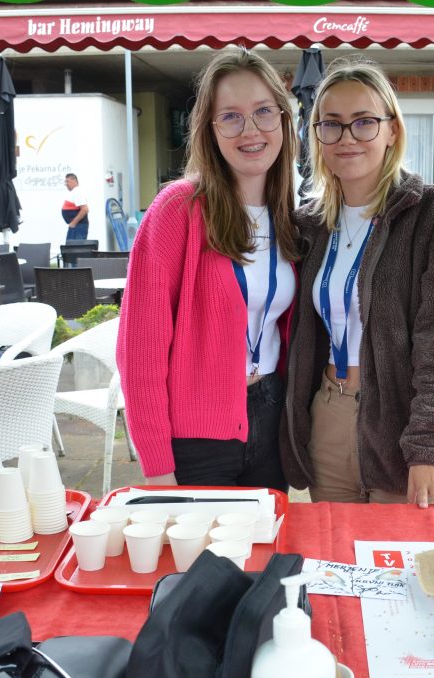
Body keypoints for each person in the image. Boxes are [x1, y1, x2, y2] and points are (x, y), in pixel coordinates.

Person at [280, 58, 434, 511]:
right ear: (316, 135)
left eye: (364, 122)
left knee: (398, 554)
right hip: (328, 417)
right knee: (334, 550)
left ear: (392, 130)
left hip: (401, 424)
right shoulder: (311, 226)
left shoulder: (433, 214)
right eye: (331, 124)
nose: (347, 137)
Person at [117, 49, 299, 489]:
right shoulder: (178, 209)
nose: (250, 130)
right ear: (210, 129)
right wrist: (157, 465)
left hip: (271, 419)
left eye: (263, 112)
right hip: (196, 438)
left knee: (266, 536)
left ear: (283, 119)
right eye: (231, 117)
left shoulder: (290, 216)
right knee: (200, 539)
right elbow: (140, 352)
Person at [61, 173, 89, 241]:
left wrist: (74, 223)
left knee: (75, 247)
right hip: (76, 226)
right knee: (70, 246)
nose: (66, 184)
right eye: (65, 182)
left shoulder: (78, 192)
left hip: (78, 227)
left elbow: (85, 209)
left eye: (67, 181)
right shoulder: (75, 192)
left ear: (75, 181)